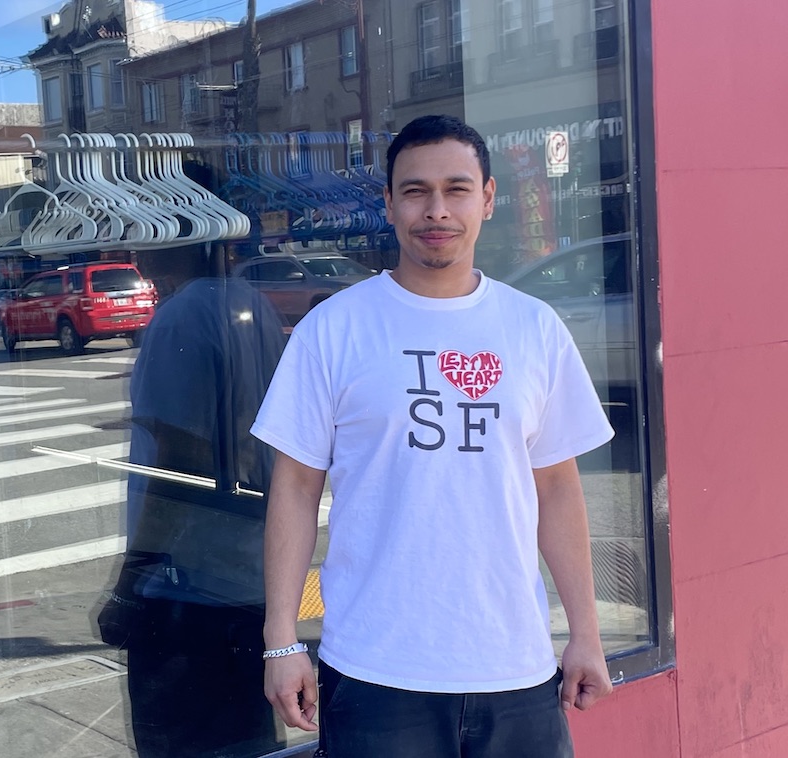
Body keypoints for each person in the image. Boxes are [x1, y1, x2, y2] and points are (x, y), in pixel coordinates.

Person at [252, 115, 615, 757]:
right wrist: (281, 639)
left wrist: (584, 631)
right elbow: (295, 487)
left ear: (489, 198)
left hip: (517, 665)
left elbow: (557, 488)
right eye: (415, 191)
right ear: (388, 204)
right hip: (375, 670)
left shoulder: (534, 328)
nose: (436, 210)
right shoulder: (333, 329)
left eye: (457, 188)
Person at [108, 273, 288, 757]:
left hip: (185, 587)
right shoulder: (251, 304)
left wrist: (129, 585)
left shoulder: (180, 318)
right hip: (245, 572)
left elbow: (178, 460)